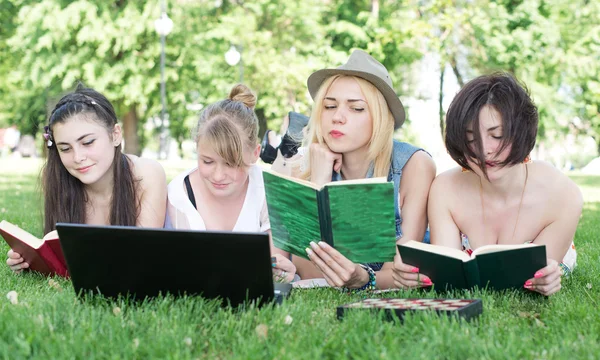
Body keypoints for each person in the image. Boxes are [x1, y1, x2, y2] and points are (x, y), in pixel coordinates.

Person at [273, 49, 436, 290]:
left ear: (380, 117)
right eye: (329, 106)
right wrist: (320, 180)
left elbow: (403, 274)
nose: (337, 117)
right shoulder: (303, 167)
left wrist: (364, 278)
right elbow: (308, 272)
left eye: (356, 108)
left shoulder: (414, 165)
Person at [427, 73, 582, 296]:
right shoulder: (445, 188)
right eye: (471, 139)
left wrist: (545, 279)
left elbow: (531, 281)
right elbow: (450, 278)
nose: (484, 150)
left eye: (497, 135)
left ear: (521, 132)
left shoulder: (563, 195)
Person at [7, 84, 167, 273]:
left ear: (115, 135)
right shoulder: (58, 178)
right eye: (65, 148)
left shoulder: (147, 173)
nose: (77, 157)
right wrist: (31, 260)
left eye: (88, 142)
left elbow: (142, 254)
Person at [165, 84, 296, 282]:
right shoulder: (178, 195)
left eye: (231, 164)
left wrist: (277, 269)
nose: (218, 176)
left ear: (254, 154)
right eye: (207, 161)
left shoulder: (269, 192)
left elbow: (272, 265)